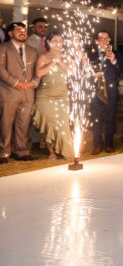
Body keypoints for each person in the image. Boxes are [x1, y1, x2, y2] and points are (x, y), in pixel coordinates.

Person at [0, 22, 39, 163]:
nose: (22, 32)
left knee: (24, 124)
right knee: (5, 124)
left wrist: (34, 82)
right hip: (8, 92)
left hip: (28, 93)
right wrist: (16, 83)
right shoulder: (3, 48)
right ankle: (3, 153)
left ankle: (22, 151)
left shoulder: (33, 51)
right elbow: (0, 69)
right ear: (10, 33)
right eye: (18, 30)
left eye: (24, 30)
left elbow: (37, 71)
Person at [31, 32, 73, 159]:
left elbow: (72, 72)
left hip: (62, 95)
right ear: (49, 42)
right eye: (55, 40)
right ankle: (52, 152)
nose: (58, 43)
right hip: (46, 95)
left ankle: (64, 149)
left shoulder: (66, 56)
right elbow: (39, 73)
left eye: (60, 41)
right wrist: (53, 62)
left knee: (62, 124)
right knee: (49, 123)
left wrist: (60, 61)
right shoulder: (43, 57)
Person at [87, 31, 120, 154]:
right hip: (95, 91)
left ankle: (109, 144)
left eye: (107, 39)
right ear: (96, 41)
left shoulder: (116, 53)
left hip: (111, 91)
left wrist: (114, 61)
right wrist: (92, 75)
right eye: (102, 38)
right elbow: (84, 71)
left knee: (111, 119)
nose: (105, 41)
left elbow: (121, 70)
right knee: (96, 120)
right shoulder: (90, 54)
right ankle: (97, 145)